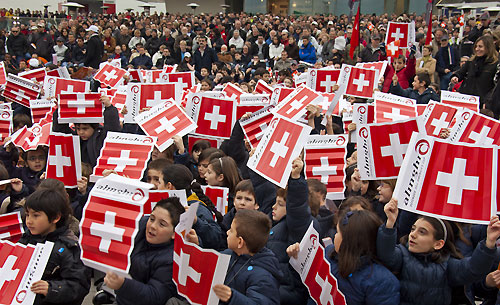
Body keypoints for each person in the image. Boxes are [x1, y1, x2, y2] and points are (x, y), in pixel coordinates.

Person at [378, 198, 500, 305]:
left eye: (422, 232)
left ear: (438, 244)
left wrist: (489, 242)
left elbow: (473, 269)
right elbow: (386, 254)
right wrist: (390, 224)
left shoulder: (447, 265)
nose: (412, 235)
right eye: (413, 229)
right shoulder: (403, 254)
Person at [287, 209, 400, 305]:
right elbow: (306, 290)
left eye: (337, 232)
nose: (334, 236)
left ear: (349, 241)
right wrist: (297, 259)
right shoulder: (327, 253)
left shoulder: (382, 282)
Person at [102, 197, 184, 305]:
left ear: (175, 233)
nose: (153, 226)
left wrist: (123, 284)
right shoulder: (140, 229)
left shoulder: (171, 259)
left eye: (162, 224)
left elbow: (156, 296)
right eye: (152, 219)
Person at [19, 189, 90, 305]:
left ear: (55, 218)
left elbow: (79, 286)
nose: (29, 221)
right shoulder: (26, 239)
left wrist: (52, 289)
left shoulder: (69, 248)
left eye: (36, 216)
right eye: (27, 215)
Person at [212, 209, 282, 305]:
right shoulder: (229, 253)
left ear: (240, 242)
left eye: (231, 230)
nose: (227, 232)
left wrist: (232, 297)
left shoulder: (263, 277)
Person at [451, 35, 499, 107]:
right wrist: (456, 77)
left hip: (483, 102)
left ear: (488, 47)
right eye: (476, 46)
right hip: (466, 98)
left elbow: (495, 86)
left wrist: (488, 101)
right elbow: (461, 72)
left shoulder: (495, 64)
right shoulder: (471, 61)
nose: (477, 49)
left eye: (480, 46)